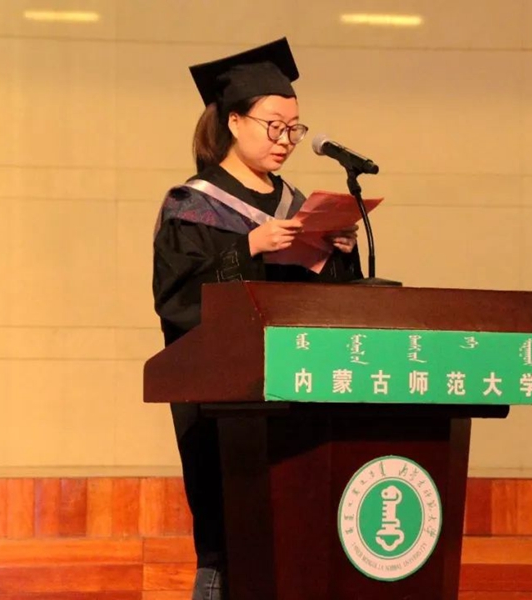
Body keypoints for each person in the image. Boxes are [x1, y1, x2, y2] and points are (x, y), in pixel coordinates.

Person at [151, 38, 363, 600]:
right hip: (224, 401)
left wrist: (337, 253)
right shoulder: (193, 207)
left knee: (298, 532)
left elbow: (327, 307)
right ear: (234, 121)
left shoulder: (295, 203)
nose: (286, 140)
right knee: (232, 537)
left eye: (294, 128)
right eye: (274, 126)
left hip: (297, 393)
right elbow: (177, 301)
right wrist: (248, 248)